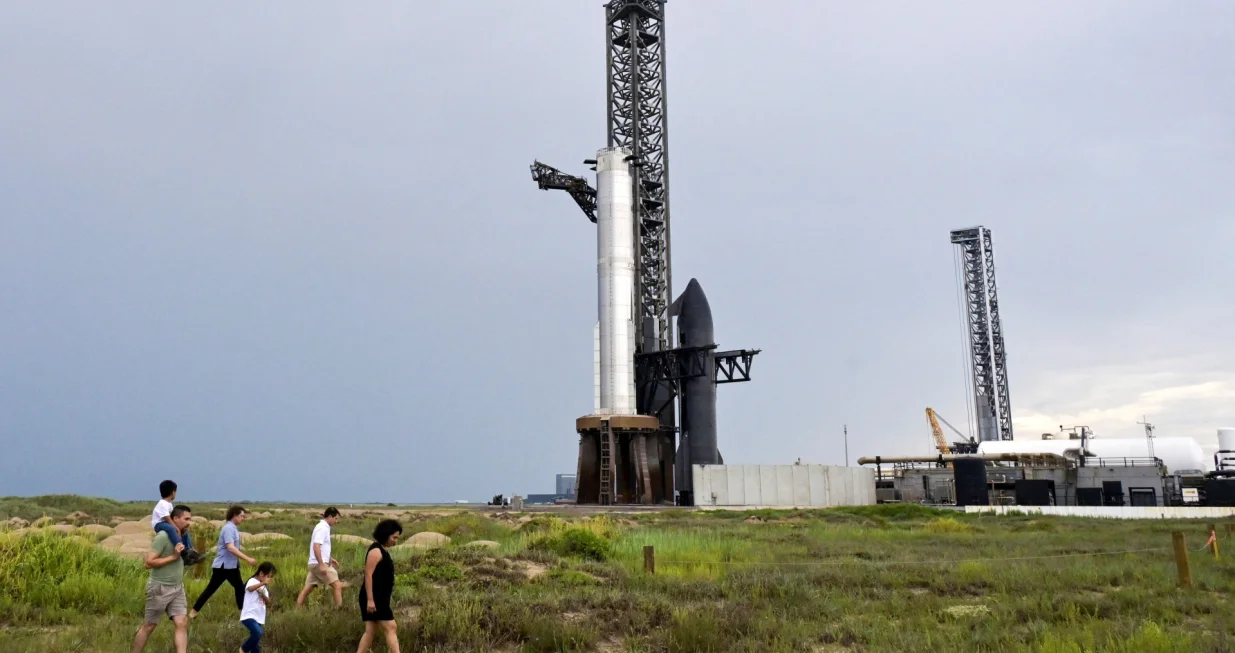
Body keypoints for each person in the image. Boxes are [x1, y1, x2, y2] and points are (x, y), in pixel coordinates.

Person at [132, 505, 193, 653]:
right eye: (186, 519)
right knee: (149, 626)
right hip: (160, 588)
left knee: (181, 622)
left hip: (177, 588)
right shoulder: (163, 536)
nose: (189, 522)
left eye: (190, 519)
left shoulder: (182, 538)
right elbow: (148, 563)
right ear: (175, 519)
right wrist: (173, 557)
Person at [189, 505, 257, 618]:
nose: (243, 518)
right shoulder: (228, 528)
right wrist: (247, 558)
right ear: (234, 515)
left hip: (231, 566)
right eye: (241, 516)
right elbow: (230, 547)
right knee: (212, 589)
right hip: (224, 567)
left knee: (239, 588)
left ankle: (244, 613)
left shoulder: (233, 528)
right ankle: (193, 612)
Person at [356, 519, 402, 653]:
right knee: (391, 627)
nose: (395, 541)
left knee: (370, 631)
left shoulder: (381, 549)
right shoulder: (375, 551)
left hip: (378, 597)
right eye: (394, 537)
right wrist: (370, 600)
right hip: (374, 598)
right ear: (385, 534)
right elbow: (368, 575)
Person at [296, 507, 343, 607]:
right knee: (337, 585)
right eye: (336, 518)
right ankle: (340, 610)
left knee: (308, 588)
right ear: (330, 516)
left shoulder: (324, 527)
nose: (336, 521)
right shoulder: (322, 528)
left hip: (315, 563)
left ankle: (297, 610)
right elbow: (316, 546)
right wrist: (322, 564)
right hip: (318, 564)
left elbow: (322, 548)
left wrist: (330, 558)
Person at [151, 480, 203, 565]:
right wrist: (177, 529)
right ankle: (183, 550)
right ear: (173, 492)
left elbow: (171, 517)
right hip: (159, 524)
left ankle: (190, 551)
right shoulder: (162, 504)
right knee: (172, 529)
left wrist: (180, 529)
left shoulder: (169, 504)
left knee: (185, 532)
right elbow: (168, 518)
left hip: (165, 523)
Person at [239, 561, 277, 653]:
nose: (269, 579)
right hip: (249, 615)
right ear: (261, 573)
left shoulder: (264, 588)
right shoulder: (252, 581)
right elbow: (250, 588)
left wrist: (262, 593)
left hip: (258, 617)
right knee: (258, 632)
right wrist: (262, 583)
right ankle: (243, 649)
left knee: (255, 644)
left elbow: (268, 602)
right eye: (268, 576)